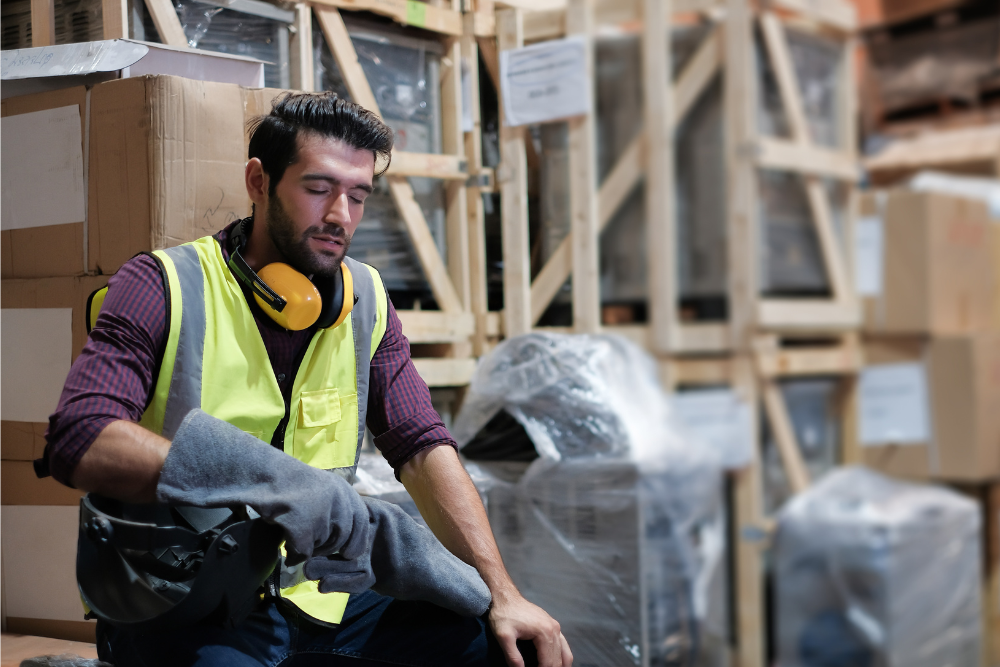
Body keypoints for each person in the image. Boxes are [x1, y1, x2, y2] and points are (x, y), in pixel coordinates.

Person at [42, 92, 573, 667]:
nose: (340, 215)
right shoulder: (163, 283)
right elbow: (80, 437)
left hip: (316, 595)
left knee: (495, 648)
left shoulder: (364, 298)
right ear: (258, 181)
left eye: (358, 195)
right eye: (319, 189)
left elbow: (421, 446)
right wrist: (274, 481)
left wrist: (503, 594)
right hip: (182, 595)